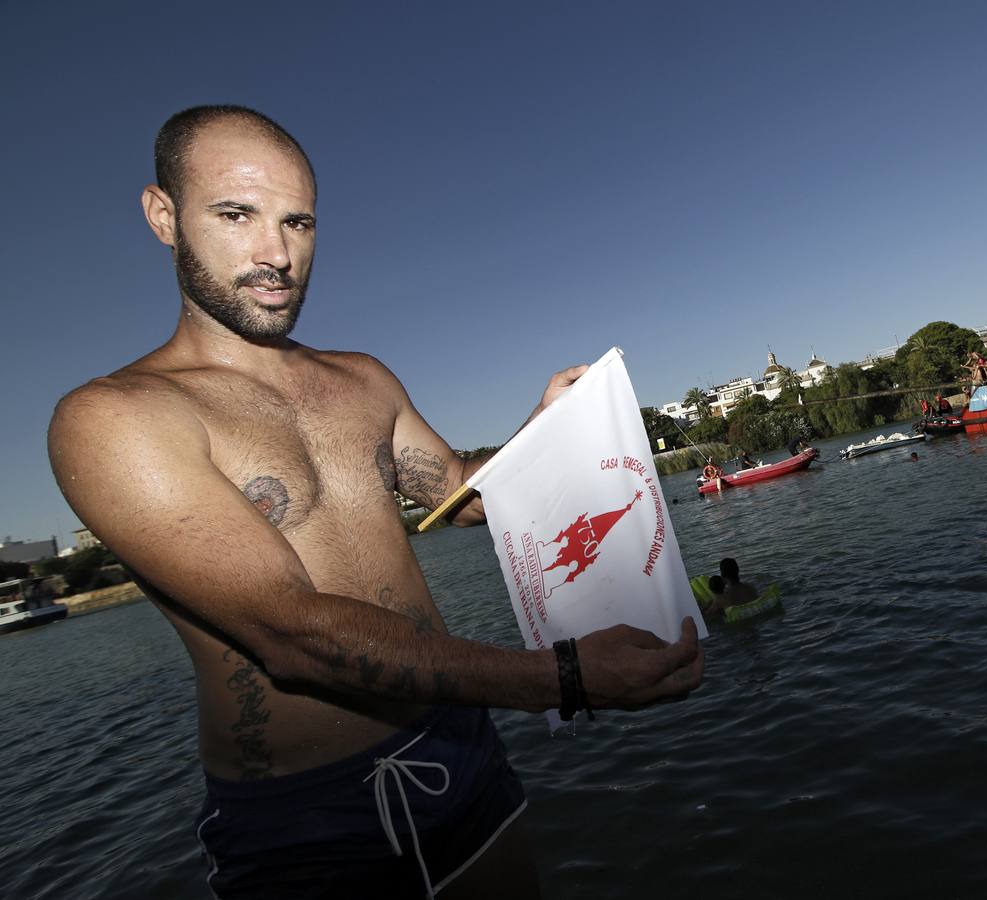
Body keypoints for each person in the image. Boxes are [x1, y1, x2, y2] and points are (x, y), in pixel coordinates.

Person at [47, 106, 703, 900]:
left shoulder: (363, 380)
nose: (275, 253)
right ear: (163, 216)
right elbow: (290, 634)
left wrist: (544, 434)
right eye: (235, 215)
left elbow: (456, 496)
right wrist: (560, 677)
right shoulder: (115, 417)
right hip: (305, 819)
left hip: (462, 749)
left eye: (299, 222)